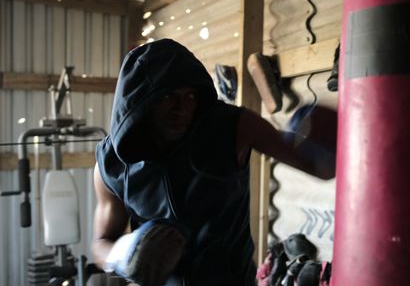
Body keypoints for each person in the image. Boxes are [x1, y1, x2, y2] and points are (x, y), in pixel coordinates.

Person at [91, 39, 334, 285]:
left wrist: (329, 143)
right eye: (167, 96)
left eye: (190, 95)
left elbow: (317, 166)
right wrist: (123, 254)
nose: (182, 108)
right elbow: (101, 244)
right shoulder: (112, 164)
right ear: (140, 100)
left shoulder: (232, 127)